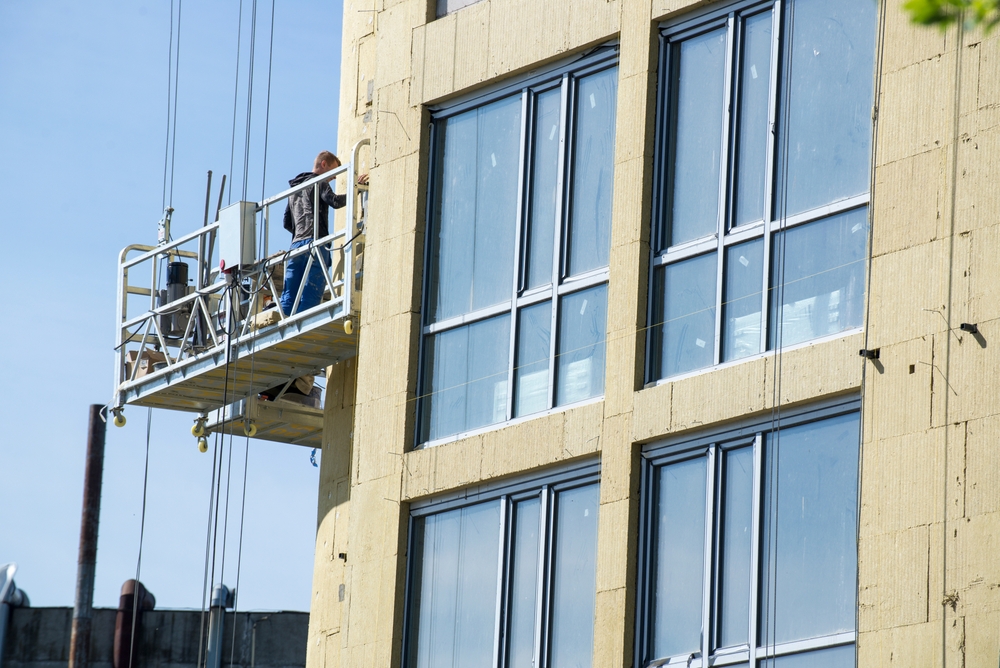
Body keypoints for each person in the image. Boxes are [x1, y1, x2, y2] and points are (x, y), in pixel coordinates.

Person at [278, 151, 367, 315]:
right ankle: (303, 326)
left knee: (290, 292)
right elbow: (334, 201)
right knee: (311, 290)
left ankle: (284, 322)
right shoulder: (320, 182)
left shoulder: (295, 189)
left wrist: (300, 233)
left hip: (296, 246)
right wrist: (356, 190)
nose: (332, 178)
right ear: (324, 164)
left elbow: (286, 222)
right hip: (315, 243)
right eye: (332, 173)